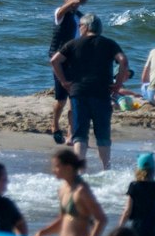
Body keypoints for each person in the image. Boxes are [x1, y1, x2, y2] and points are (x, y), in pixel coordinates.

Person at [52, 13, 129, 170]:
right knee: (102, 134)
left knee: (80, 134)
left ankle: (79, 170)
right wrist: (118, 84)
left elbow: (54, 60)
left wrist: (63, 81)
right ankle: (107, 168)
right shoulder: (109, 44)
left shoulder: (73, 44)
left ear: (86, 27)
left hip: (78, 92)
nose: (79, 28)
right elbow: (123, 61)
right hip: (101, 93)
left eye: (80, 25)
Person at [34, 148, 106, 236]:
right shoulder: (62, 190)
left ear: (68, 167)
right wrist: (43, 232)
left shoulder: (81, 191)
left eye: (57, 166)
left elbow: (101, 219)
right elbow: (63, 220)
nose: (53, 170)